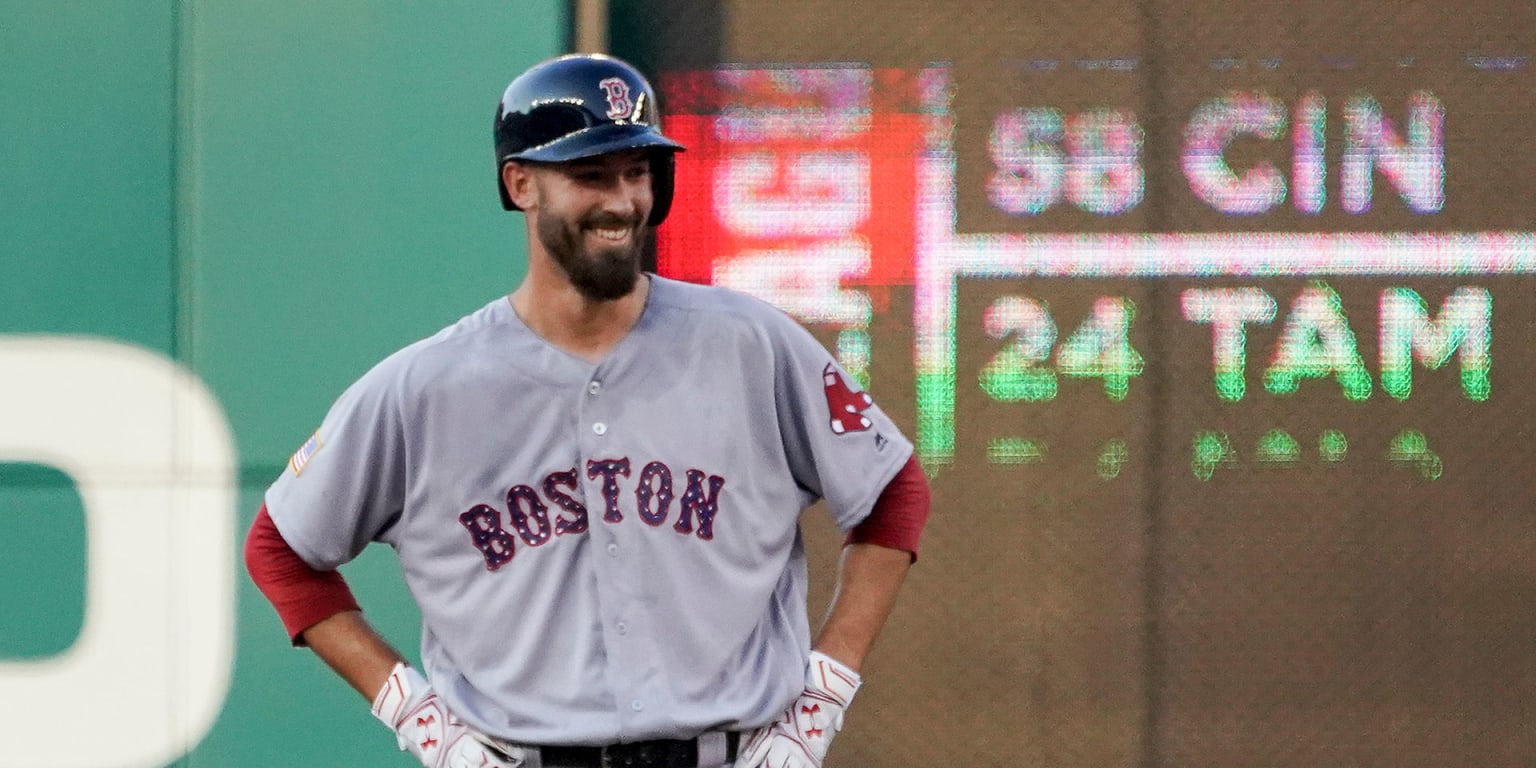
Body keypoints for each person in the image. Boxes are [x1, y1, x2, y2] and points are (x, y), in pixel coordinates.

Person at [244, 52, 930, 768]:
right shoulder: (425, 387)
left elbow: (893, 493)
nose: (623, 200)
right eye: (591, 174)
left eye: (637, 172)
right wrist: (417, 718)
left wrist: (823, 695)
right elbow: (280, 551)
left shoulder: (750, 344)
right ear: (520, 184)